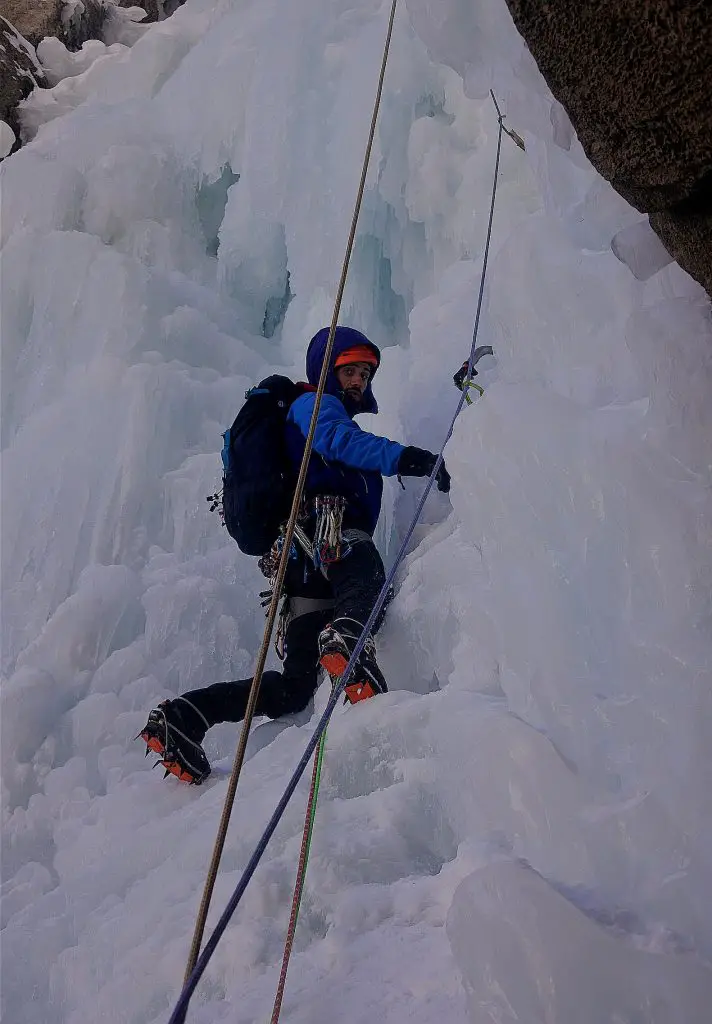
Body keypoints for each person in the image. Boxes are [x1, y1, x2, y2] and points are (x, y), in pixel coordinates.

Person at [139, 326, 450, 782]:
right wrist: (409, 458)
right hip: (328, 533)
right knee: (364, 574)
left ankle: (185, 717)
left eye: (365, 373)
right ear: (326, 370)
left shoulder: (311, 409)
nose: (360, 381)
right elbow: (338, 443)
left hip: (302, 566)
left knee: (293, 690)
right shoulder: (315, 404)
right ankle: (348, 639)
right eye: (350, 370)